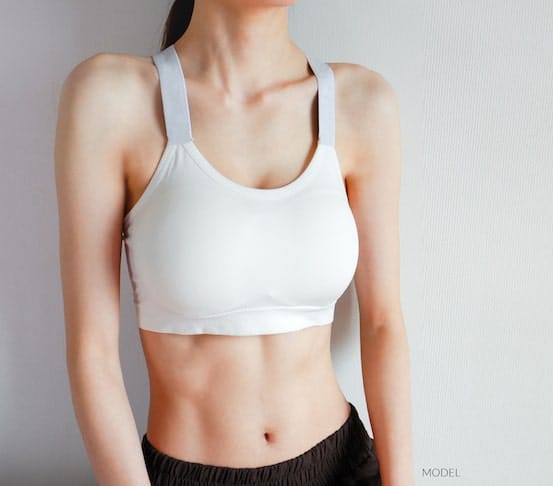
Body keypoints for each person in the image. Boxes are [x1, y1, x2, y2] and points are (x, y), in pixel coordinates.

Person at [54, 1, 413, 484]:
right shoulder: (111, 98)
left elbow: (383, 322)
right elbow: (91, 353)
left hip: (344, 465)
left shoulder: (362, 104)